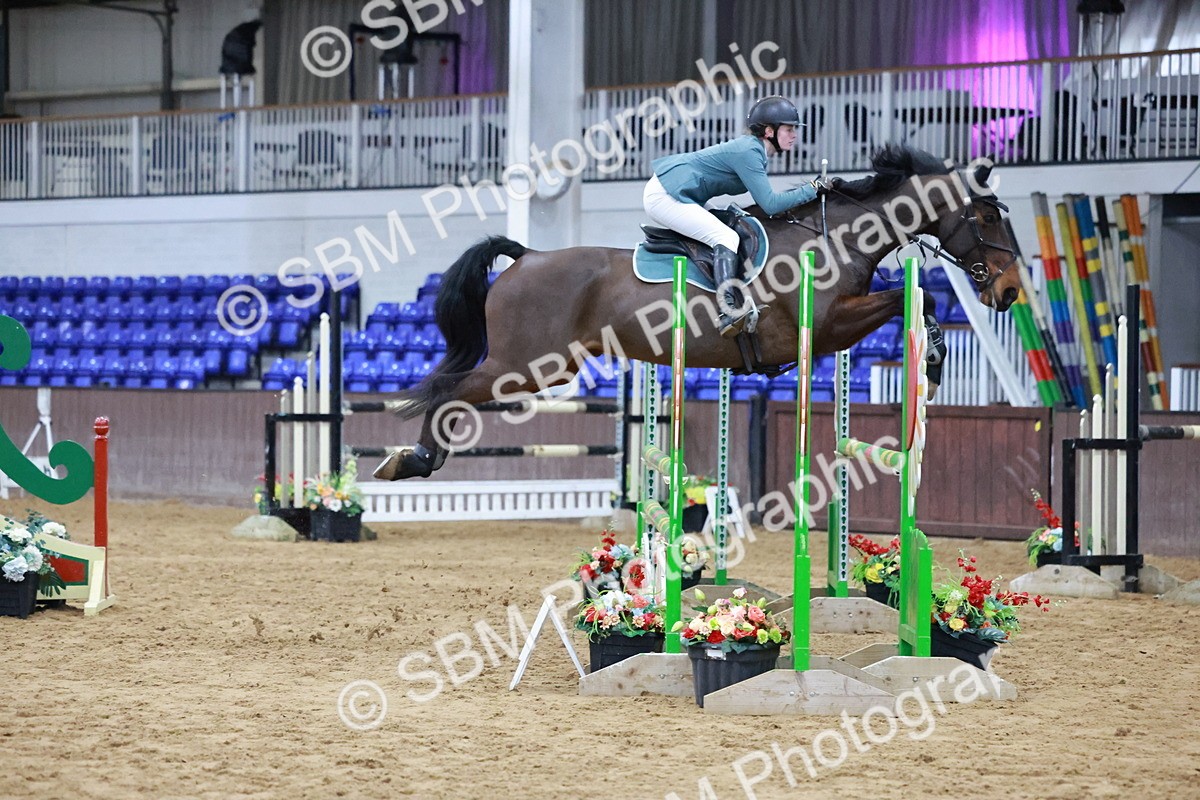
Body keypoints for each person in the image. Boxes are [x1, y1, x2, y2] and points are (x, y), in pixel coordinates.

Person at [643, 95, 832, 338]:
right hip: (665, 194)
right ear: (768, 131)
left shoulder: (755, 151)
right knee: (726, 237)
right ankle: (727, 310)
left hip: (683, 192)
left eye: (794, 128)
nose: (794, 134)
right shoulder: (749, 152)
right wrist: (812, 188)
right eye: (789, 129)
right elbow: (771, 204)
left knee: (733, 226)